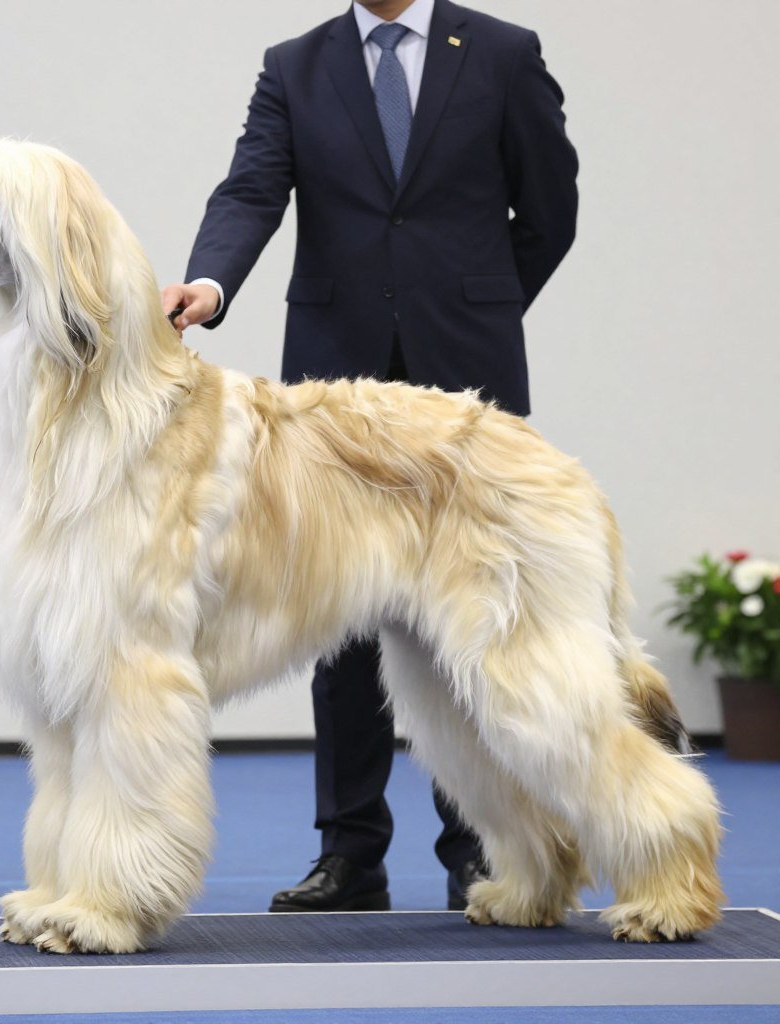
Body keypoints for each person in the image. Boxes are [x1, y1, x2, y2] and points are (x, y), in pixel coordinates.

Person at [162, 0, 578, 913]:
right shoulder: (295, 63)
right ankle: (349, 853)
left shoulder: (504, 52)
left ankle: (482, 850)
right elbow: (250, 189)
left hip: (464, 388)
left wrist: (484, 302)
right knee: (336, 620)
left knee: (473, 628)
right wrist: (210, 280)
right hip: (332, 390)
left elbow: (551, 205)